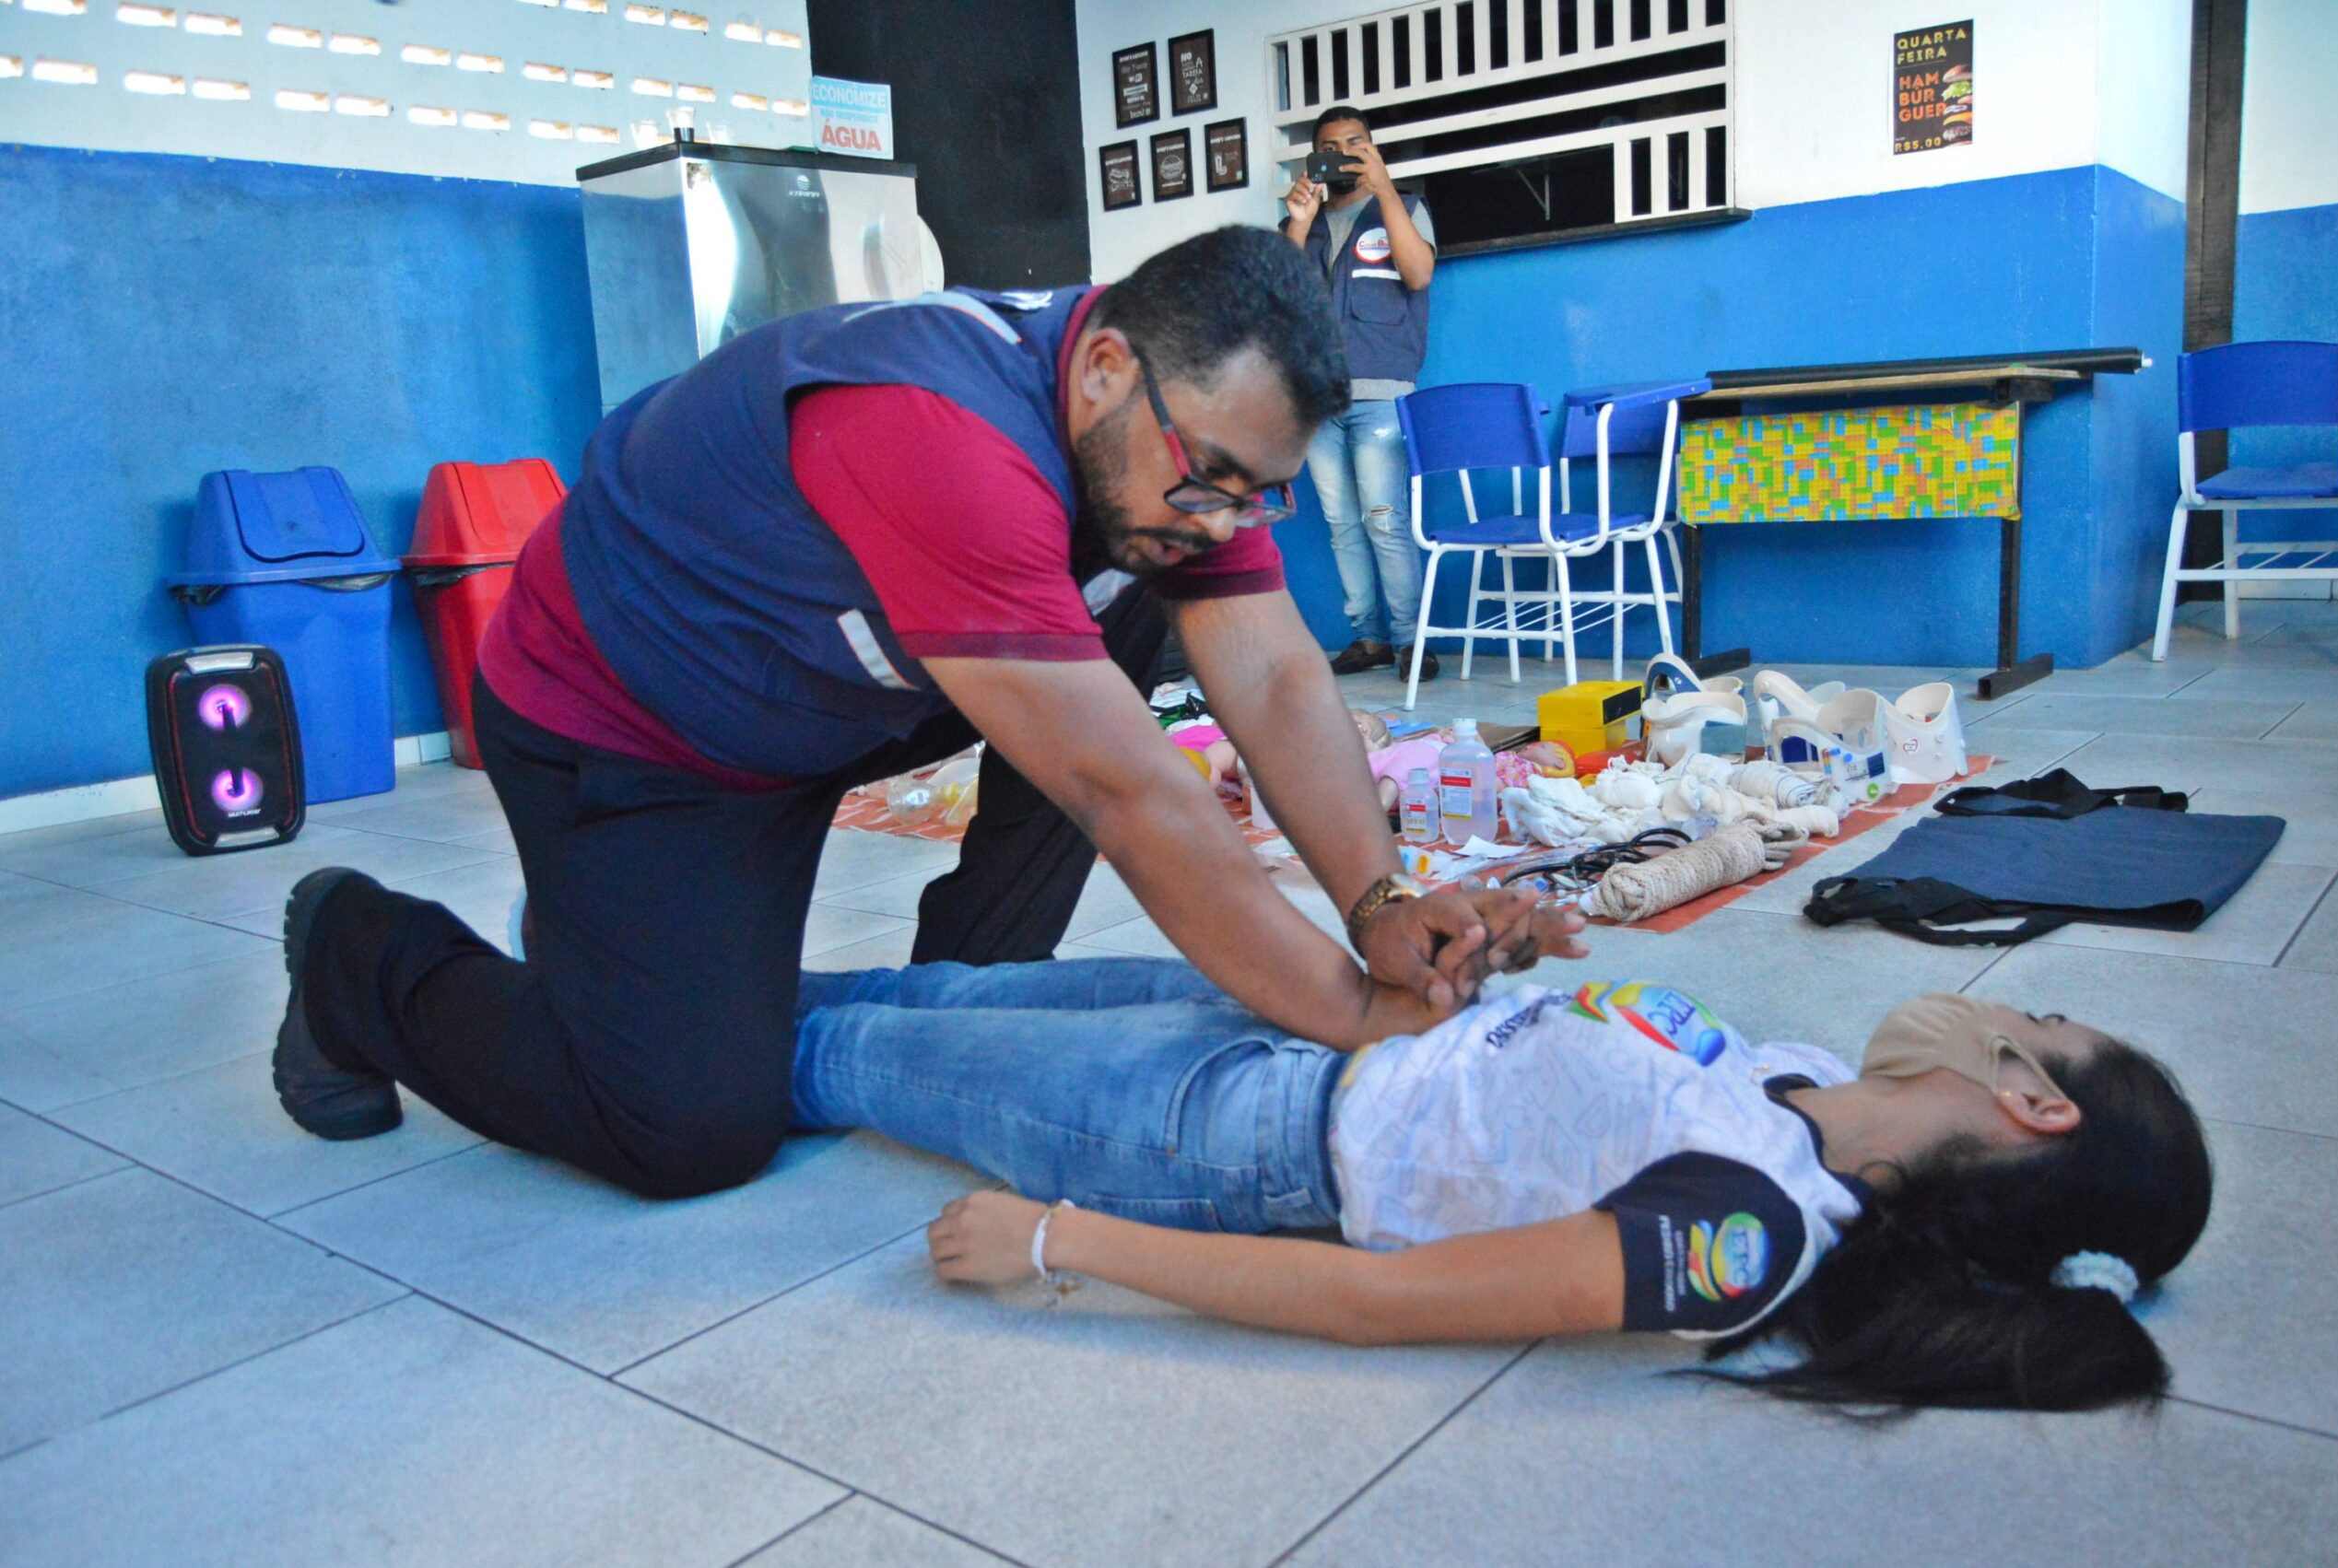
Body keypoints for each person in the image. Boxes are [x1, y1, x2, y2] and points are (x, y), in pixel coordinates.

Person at [272, 226, 1580, 1198]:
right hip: (634, 727)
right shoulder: (939, 432)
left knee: (1144, 580)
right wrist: (1352, 1015)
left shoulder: (1158, 433)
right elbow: (1123, 790)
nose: (1230, 519)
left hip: (825, 687)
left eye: (1262, 493)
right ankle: (354, 953)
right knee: (685, 1127)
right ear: (1105, 365)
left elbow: (1281, 674)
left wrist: (1377, 903)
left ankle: (959, 981)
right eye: (1217, 479)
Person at [792, 962, 2213, 1412]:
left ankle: (648, 1061)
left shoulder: (1748, 1228)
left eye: (2038, 1017)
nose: (2002, 999)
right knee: (928, 990)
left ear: (2035, 1101)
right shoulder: (1808, 1076)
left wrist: (1059, 1238)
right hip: (1314, 1019)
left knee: (837, 1054)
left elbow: (1379, 1301)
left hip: (1233, 1127)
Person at [1282, 106, 1439, 685]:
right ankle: (1369, 638)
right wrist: (1298, 223)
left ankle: (1412, 641)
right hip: (1317, 399)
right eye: (1331, 146)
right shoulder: (1304, 222)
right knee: (1342, 524)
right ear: (1314, 157)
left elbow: (1418, 275)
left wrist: (1385, 188)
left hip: (1381, 393)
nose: (1344, 153)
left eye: (1356, 143)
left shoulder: (1404, 207)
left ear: (1372, 149)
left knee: (1384, 519)